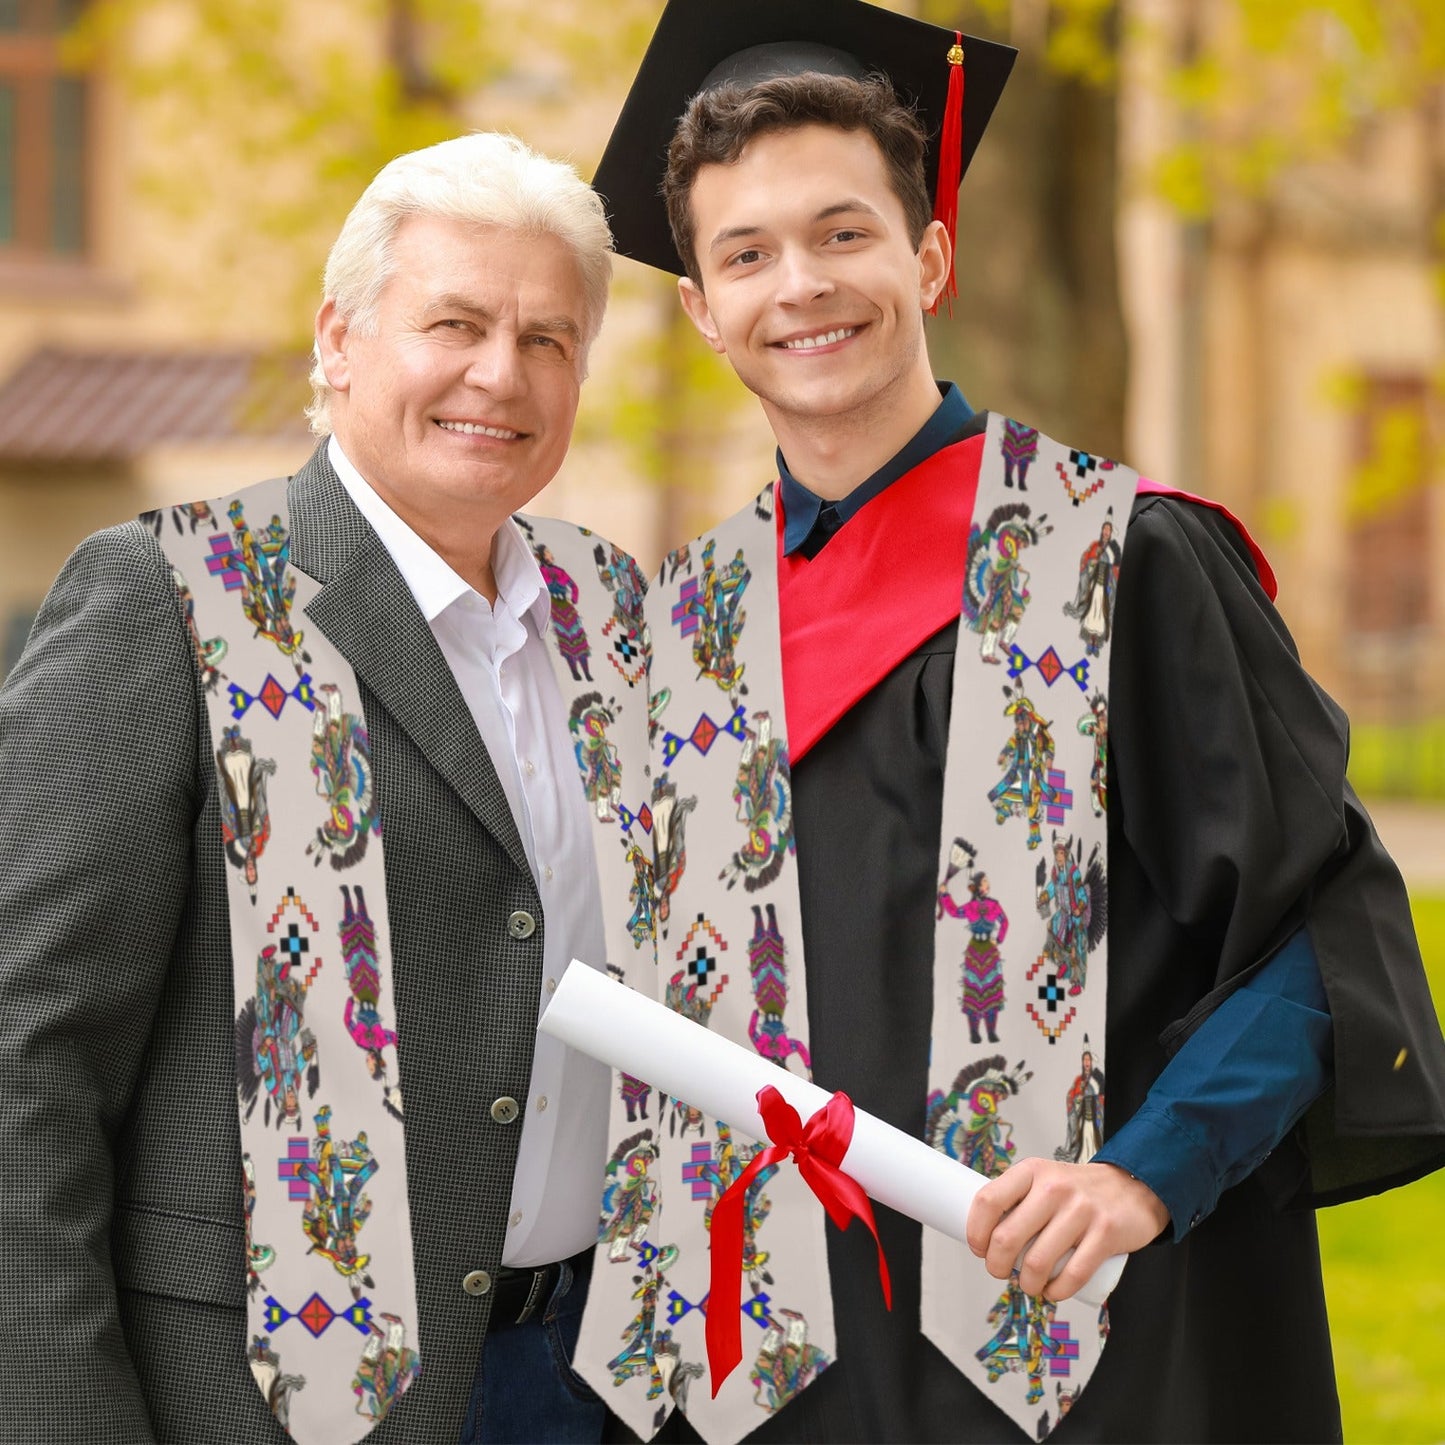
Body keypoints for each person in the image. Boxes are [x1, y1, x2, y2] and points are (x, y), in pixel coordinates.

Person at [570, 2, 1445, 1441]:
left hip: (1085, 1349)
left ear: (929, 256)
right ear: (703, 310)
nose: (801, 284)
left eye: (843, 233)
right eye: (747, 253)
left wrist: (1144, 1173)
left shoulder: (1122, 562)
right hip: (774, 1380)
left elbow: (1319, 932)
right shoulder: (682, 634)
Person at [0, 132, 651, 1444]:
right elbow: (28, 1058)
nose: (500, 373)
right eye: (455, 323)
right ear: (339, 340)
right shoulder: (172, 597)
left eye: (547, 339)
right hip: (262, 1402)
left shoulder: (615, 612)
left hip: (585, 1379)